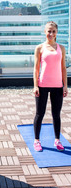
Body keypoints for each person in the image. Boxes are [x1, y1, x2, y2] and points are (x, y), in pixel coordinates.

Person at [33, 21, 68, 152]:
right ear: (45, 32)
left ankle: (57, 140)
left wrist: (65, 86)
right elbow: (36, 68)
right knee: (39, 113)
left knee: (56, 114)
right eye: (49, 31)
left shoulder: (61, 48)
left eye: (53, 31)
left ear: (56, 32)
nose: (51, 34)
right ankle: (37, 140)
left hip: (58, 86)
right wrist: (35, 85)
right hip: (42, 85)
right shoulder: (40, 48)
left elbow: (63, 68)